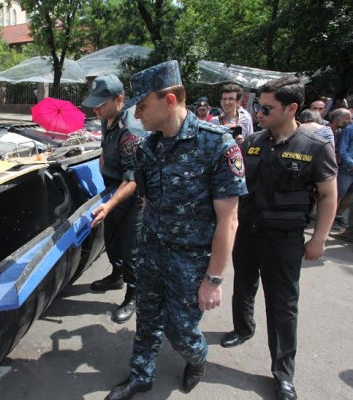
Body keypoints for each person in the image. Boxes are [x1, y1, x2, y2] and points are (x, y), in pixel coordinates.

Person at [105, 60, 247, 400]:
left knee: (181, 332)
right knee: (148, 320)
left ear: (169, 100)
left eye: (142, 105)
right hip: (152, 253)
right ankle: (141, 376)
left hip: (191, 261)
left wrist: (213, 279)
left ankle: (198, 358)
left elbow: (229, 219)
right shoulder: (147, 148)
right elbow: (146, 201)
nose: (136, 114)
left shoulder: (217, 146)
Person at [221, 77, 338, 400]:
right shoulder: (253, 141)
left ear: (291, 108)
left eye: (267, 108)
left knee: (282, 305)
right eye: (257, 105)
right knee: (243, 285)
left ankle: (283, 372)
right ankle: (242, 329)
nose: (258, 112)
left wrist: (320, 238)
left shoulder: (315, 147)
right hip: (248, 230)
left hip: (284, 238)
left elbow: (329, 195)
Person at [82, 74, 147, 324]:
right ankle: (116, 276)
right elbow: (108, 148)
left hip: (130, 195)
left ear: (119, 99)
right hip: (112, 188)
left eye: (101, 103)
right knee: (111, 239)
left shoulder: (130, 129)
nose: (96, 108)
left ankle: (133, 295)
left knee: (131, 250)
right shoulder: (106, 118)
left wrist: (109, 205)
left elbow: (132, 179)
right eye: (94, 103)